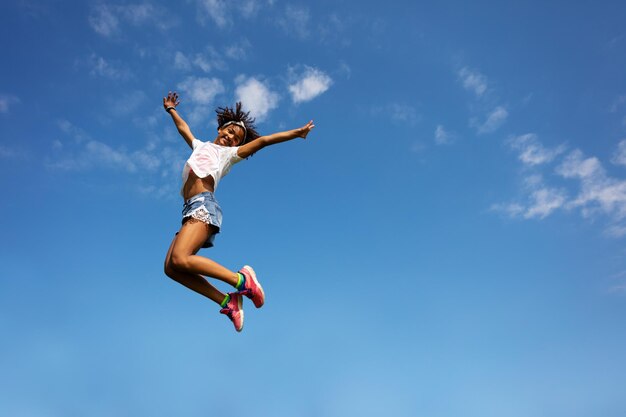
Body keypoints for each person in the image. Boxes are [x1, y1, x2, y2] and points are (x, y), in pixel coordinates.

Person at [162, 91, 314, 332]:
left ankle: (242, 280)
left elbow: (263, 141)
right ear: (222, 128)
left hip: (203, 205)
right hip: (189, 209)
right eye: (230, 131)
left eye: (236, 138)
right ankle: (228, 301)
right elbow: (184, 128)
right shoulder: (200, 145)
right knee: (171, 268)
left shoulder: (228, 155)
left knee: (181, 258)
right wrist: (171, 110)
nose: (231, 138)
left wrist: (296, 133)